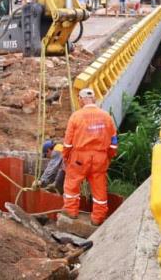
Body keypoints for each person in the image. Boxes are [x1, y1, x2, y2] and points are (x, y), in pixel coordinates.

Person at [61, 88, 118, 226]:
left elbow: (68, 143)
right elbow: (114, 142)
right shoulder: (106, 117)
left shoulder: (76, 116)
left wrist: (65, 157)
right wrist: (108, 157)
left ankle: (71, 211)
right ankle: (98, 218)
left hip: (80, 157)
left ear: (81, 100)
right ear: (94, 99)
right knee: (99, 188)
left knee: (72, 183)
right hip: (100, 157)